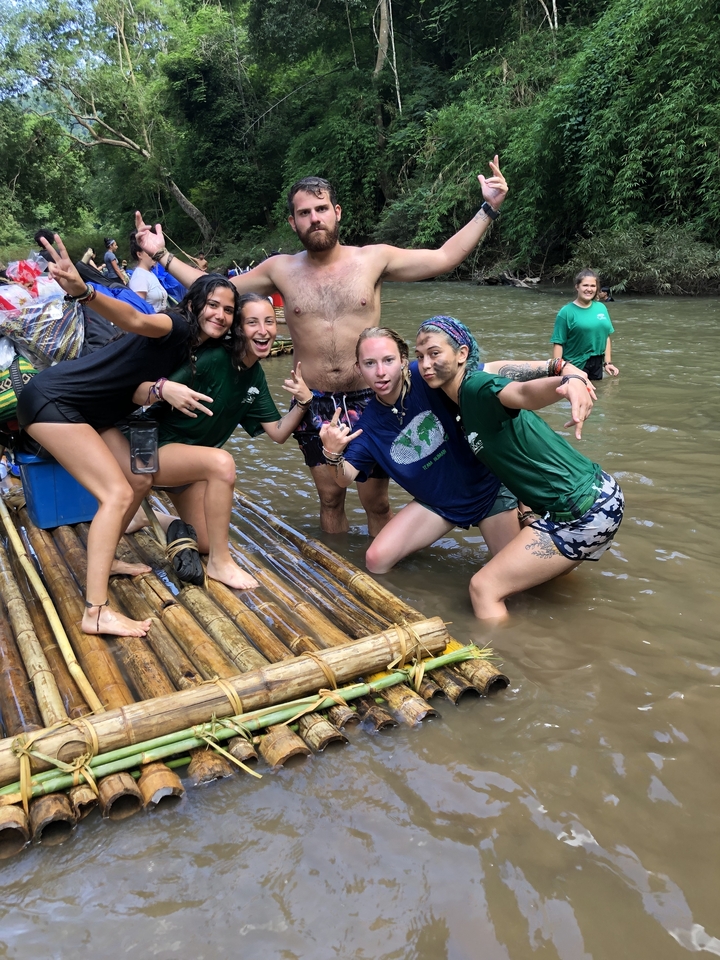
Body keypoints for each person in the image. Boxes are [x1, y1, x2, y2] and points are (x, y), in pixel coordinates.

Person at [133, 155, 508, 536]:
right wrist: (162, 254)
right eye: (304, 213)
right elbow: (213, 288)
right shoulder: (280, 269)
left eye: (321, 209)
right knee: (329, 498)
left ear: (337, 212)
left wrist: (488, 209)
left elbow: (444, 258)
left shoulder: (373, 259)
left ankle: (380, 566)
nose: (314, 218)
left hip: (372, 398)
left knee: (376, 501)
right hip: (314, 402)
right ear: (292, 222)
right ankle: (341, 562)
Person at [17, 233, 257, 637]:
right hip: (55, 401)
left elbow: (135, 391)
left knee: (139, 479)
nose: (220, 314)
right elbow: (135, 319)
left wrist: (162, 389)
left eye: (228, 310)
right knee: (116, 493)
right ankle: (96, 612)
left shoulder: (192, 350)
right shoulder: (176, 326)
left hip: (93, 412)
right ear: (194, 304)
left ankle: (106, 558)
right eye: (212, 305)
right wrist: (85, 292)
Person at [319, 327, 594, 574]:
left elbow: (492, 371)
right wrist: (332, 453)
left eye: (388, 360)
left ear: (403, 360)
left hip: (488, 489)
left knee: (525, 578)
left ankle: (530, 515)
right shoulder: (369, 425)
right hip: (439, 502)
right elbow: (345, 478)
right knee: (375, 560)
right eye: (370, 363)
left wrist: (559, 368)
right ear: (358, 368)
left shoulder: (427, 374)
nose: (380, 372)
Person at [413, 316, 623, 620]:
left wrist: (569, 383)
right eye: (419, 356)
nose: (425, 364)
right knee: (538, 583)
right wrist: (525, 512)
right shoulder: (464, 397)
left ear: (461, 354)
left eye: (434, 353)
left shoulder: (475, 387)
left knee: (483, 588)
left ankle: (502, 650)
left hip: (583, 510)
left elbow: (522, 394)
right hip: (594, 497)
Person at [127, 293, 313, 564]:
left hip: (191, 462)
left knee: (203, 541)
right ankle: (220, 563)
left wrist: (304, 402)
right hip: (149, 449)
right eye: (252, 322)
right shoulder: (212, 359)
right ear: (237, 328)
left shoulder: (255, 376)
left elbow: (278, 432)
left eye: (269, 321)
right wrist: (163, 389)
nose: (263, 330)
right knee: (222, 462)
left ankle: (145, 516)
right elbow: (136, 394)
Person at [551, 269, 619, 381]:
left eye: (593, 286)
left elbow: (606, 336)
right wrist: (558, 370)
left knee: (596, 391)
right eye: (585, 285)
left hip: (597, 363)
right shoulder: (566, 312)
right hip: (574, 364)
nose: (589, 289)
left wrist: (607, 363)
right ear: (577, 287)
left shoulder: (601, 308)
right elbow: (558, 342)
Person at [128, 230, 169, 312]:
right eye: (148, 252)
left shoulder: (149, 272)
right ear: (139, 254)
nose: (153, 254)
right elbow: (139, 310)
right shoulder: (139, 277)